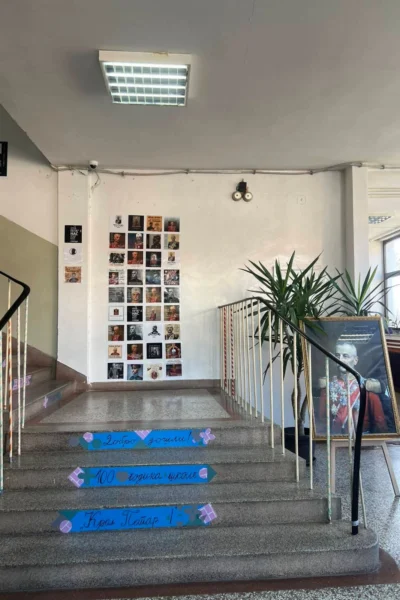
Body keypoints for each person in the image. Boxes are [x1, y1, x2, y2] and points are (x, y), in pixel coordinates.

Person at [318, 340, 387, 435]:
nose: (340, 360)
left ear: (355, 360)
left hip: (361, 439)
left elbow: (379, 422)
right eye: (337, 355)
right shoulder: (328, 386)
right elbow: (322, 420)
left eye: (345, 356)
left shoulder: (367, 387)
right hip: (335, 437)